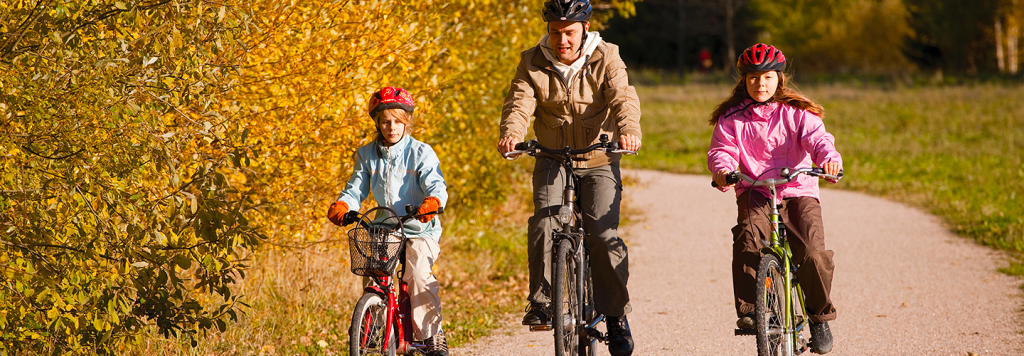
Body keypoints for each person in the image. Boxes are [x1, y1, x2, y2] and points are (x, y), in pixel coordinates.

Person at [496, 1, 642, 355]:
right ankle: (542, 302)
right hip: (551, 157)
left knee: (603, 238)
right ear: (549, 29)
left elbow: (623, 98)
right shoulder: (532, 60)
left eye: (570, 32)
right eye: (556, 32)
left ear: (585, 28)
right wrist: (511, 134)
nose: (563, 40)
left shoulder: (606, 56)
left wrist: (629, 130)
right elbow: (519, 103)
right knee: (545, 222)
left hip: (599, 158)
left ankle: (616, 317)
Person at [707, 43, 841, 354]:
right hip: (754, 190)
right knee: (748, 239)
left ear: (779, 79)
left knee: (811, 252)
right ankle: (755, 312)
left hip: (798, 190)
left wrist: (830, 159)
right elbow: (722, 151)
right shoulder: (732, 118)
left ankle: (819, 316)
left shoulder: (797, 114)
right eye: (753, 78)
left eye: (767, 77)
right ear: (744, 81)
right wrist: (724, 170)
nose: (760, 84)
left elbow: (819, 140)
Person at [326, 86, 450, 356]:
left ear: (406, 121)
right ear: (377, 123)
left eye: (397, 121)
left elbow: (436, 185)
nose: (391, 127)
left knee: (417, 274)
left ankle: (431, 335)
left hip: (420, 227)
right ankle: (375, 325)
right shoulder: (367, 154)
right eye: (385, 121)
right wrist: (344, 205)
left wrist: (432, 203)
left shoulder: (421, 153)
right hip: (385, 226)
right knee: (374, 274)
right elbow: (355, 187)